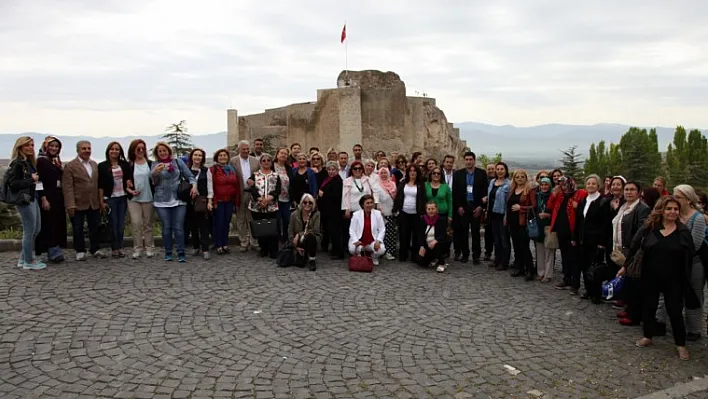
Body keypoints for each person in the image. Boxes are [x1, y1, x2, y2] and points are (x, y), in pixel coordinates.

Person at [626, 196, 698, 361]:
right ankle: (648, 336)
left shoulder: (683, 232)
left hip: (674, 278)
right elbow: (636, 246)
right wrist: (625, 266)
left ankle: (681, 345)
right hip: (651, 275)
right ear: (662, 210)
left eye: (675, 209)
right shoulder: (650, 228)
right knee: (649, 307)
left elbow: (691, 254)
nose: (672, 212)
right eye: (669, 209)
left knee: (674, 311)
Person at [658, 185, 707, 341]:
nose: (674, 199)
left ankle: (694, 329)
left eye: (678, 197)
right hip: (673, 262)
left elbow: (695, 244)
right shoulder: (675, 215)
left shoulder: (697, 218)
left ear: (688, 199)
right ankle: (663, 322)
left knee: (693, 295)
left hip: (693, 263)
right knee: (669, 293)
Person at [611, 181, 650, 326]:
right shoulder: (623, 206)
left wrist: (633, 250)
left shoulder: (642, 209)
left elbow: (641, 232)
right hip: (621, 248)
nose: (628, 192)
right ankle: (629, 308)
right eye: (626, 189)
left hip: (633, 250)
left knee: (634, 283)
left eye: (632, 190)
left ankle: (634, 314)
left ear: (639, 192)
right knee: (626, 281)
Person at [150, 142, 198, 262]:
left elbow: (190, 176)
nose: (162, 152)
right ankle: (168, 251)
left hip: (178, 198)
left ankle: (181, 251)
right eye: (160, 151)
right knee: (166, 227)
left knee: (178, 227)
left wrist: (194, 186)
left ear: (169, 151)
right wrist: (155, 172)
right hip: (161, 200)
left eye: (164, 150)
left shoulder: (177, 162)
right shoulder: (155, 164)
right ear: (157, 153)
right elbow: (153, 181)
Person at [63, 140, 106, 261]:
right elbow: (68, 187)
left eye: (88, 148)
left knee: (95, 226)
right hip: (78, 202)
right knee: (78, 227)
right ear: (78, 150)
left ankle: (95, 248)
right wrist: (70, 204)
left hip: (93, 202)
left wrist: (100, 200)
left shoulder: (94, 164)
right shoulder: (70, 166)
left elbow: (97, 184)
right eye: (84, 149)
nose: (87, 151)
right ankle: (80, 250)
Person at [8, 137, 45, 270]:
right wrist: (31, 179)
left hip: (32, 198)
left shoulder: (28, 163)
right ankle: (29, 260)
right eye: (27, 145)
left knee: (36, 229)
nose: (30, 147)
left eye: (32, 145)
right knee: (29, 231)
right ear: (20, 147)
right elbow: (14, 184)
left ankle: (23, 259)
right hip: (24, 200)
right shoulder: (18, 164)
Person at [572, 175, 608, 302]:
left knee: (595, 267)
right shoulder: (583, 200)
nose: (591, 186)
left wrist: (602, 242)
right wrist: (574, 237)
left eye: (593, 184)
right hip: (582, 239)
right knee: (584, 266)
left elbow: (605, 224)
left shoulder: (603, 201)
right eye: (588, 183)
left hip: (595, 241)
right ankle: (588, 290)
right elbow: (579, 221)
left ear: (598, 185)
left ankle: (596, 294)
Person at [548, 177, 587, 290]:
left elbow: (585, 208)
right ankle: (567, 279)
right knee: (564, 256)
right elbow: (550, 206)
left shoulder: (580, 193)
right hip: (561, 230)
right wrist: (554, 194)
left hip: (573, 231)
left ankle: (575, 283)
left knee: (574, 257)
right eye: (562, 185)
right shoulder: (560, 195)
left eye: (565, 184)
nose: (564, 187)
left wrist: (578, 205)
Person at [452, 151, 489, 264]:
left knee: (475, 232)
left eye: (470, 159)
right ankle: (465, 254)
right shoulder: (458, 174)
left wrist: (480, 207)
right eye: (466, 159)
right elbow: (455, 192)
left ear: (474, 160)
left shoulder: (481, 173)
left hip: (476, 206)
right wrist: (458, 206)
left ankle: (476, 255)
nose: (468, 162)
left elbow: (485, 191)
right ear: (464, 160)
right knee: (463, 232)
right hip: (463, 206)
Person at [35, 136, 67, 263]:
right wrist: (43, 198)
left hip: (57, 196)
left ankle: (55, 248)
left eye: (56, 146)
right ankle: (52, 250)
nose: (54, 148)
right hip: (47, 197)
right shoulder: (41, 161)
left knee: (57, 223)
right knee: (49, 224)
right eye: (51, 146)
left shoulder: (54, 161)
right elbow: (39, 181)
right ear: (45, 147)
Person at [98, 142, 131, 258]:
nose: (114, 151)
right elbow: (100, 185)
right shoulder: (102, 166)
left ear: (120, 151)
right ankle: (114, 248)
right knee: (112, 223)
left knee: (121, 224)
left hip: (122, 197)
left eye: (117, 149)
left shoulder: (124, 165)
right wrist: (101, 201)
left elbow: (129, 180)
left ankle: (120, 246)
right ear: (108, 151)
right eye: (112, 149)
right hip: (110, 198)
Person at [125, 139, 155, 259]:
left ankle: (149, 248)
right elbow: (124, 183)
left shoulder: (150, 163)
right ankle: (137, 248)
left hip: (149, 198)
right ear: (133, 150)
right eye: (138, 149)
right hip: (134, 199)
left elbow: (155, 180)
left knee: (148, 224)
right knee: (136, 224)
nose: (141, 151)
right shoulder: (129, 165)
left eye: (143, 148)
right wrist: (130, 190)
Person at [247, 153, 281, 258]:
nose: (266, 162)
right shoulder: (255, 174)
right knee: (261, 228)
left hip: (271, 206)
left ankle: (273, 250)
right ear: (260, 163)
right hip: (257, 205)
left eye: (268, 160)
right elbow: (252, 188)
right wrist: (259, 199)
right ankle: (263, 249)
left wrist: (269, 199)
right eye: (264, 161)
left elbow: (278, 189)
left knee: (272, 228)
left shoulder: (275, 175)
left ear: (271, 162)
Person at [506, 169, 537, 280]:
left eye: (522, 177)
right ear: (514, 179)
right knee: (516, 246)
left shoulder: (529, 190)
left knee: (524, 247)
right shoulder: (512, 190)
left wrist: (521, 208)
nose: (519, 179)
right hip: (513, 222)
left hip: (523, 223)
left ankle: (530, 270)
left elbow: (534, 206)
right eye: (517, 177)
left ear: (525, 178)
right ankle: (520, 268)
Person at [208, 149, 240, 255]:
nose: (223, 157)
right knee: (218, 223)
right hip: (219, 201)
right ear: (217, 158)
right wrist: (212, 200)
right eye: (220, 155)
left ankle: (225, 243)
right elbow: (210, 186)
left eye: (225, 155)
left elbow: (236, 184)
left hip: (229, 200)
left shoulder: (232, 169)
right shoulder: (213, 170)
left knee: (226, 223)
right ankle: (218, 244)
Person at [342, 160, 377, 256]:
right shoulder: (347, 181)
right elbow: (345, 196)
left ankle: (365, 249)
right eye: (355, 168)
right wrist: (346, 208)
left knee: (365, 230)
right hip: (353, 209)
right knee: (353, 231)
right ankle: (354, 249)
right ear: (352, 170)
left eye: (359, 168)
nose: (357, 170)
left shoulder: (367, 180)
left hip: (366, 210)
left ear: (362, 170)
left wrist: (374, 205)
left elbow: (372, 192)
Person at [231, 140, 260, 252]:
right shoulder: (233, 161)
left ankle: (254, 242)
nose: (246, 151)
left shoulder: (255, 161)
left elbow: (259, 176)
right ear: (239, 149)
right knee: (240, 218)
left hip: (252, 193)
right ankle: (243, 242)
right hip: (239, 193)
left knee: (252, 218)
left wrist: (254, 183)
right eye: (244, 149)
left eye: (248, 149)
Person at [394, 164, 426, 262]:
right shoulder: (403, 183)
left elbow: (423, 199)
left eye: (414, 171)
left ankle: (414, 256)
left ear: (417, 172)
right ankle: (403, 255)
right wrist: (396, 210)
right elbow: (398, 196)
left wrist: (422, 212)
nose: (412, 172)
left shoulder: (421, 184)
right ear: (408, 172)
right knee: (404, 234)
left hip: (416, 213)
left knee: (416, 235)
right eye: (410, 171)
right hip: (404, 212)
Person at [186, 149, 210, 260]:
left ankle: (205, 249)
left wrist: (210, 200)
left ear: (203, 158)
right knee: (193, 226)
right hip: (189, 201)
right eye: (195, 155)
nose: (197, 157)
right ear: (191, 157)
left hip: (201, 201)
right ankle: (196, 246)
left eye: (200, 155)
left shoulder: (206, 171)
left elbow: (210, 186)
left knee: (204, 225)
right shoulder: (186, 170)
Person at [348, 194, 386, 266]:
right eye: (367, 203)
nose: (370, 205)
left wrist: (378, 241)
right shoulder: (356, 215)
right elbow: (352, 230)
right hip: (360, 241)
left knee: (381, 250)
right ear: (362, 204)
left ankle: (374, 257)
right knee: (352, 249)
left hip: (372, 241)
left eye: (371, 203)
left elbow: (382, 229)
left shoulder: (377, 214)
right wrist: (356, 241)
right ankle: (359, 255)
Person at [288, 193, 321, 271]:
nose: (307, 204)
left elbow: (315, 230)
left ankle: (312, 260)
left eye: (310, 203)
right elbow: (290, 231)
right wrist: (295, 246)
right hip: (299, 242)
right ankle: (302, 254)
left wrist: (299, 234)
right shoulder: (294, 215)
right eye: (305, 202)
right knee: (300, 264)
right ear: (301, 203)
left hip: (312, 239)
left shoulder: (316, 214)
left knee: (310, 236)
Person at [318, 161, 344, 259]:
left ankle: (337, 252)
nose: (331, 171)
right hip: (327, 209)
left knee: (335, 231)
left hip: (334, 210)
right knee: (329, 230)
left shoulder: (337, 180)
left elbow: (336, 195)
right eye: (329, 169)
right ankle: (333, 249)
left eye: (333, 169)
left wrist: (323, 194)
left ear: (337, 170)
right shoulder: (327, 179)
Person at [417, 202, 449, 272]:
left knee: (436, 245)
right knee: (421, 262)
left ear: (436, 209)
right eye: (429, 209)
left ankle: (442, 263)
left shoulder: (441, 220)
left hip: (439, 243)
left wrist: (435, 241)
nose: (431, 211)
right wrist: (422, 246)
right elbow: (420, 234)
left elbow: (443, 234)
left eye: (433, 209)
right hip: (427, 244)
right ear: (426, 210)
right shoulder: (423, 220)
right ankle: (434, 258)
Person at [533, 176, 554, 282]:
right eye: (542, 185)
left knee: (549, 251)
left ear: (549, 186)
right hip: (538, 225)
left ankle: (548, 274)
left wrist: (548, 215)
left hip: (549, 226)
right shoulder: (538, 196)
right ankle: (540, 272)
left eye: (546, 185)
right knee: (539, 251)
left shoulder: (552, 196)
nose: (544, 187)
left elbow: (556, 212)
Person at [375, 166, 398, 261]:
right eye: (382, 173)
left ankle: (389, 251)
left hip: (392, 212)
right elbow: (376, 199)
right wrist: (379, 209)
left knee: (391, 233)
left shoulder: (393, 184)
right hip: (382, 213)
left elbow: (396, 197)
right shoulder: (377, 185)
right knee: (382, 233)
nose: (384, 175)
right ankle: (381, 251)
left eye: (385, 173)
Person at [274, 147, 293, 243]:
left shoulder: (289, 168)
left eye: (285, 154)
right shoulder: (272, 166)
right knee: (276, 221)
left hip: (286, 199)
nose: (283, 155)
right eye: (281, 153)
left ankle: (285, 241)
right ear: (277, 154)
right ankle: (276, 242)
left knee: (286, 220)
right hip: (275, 199)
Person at [483, 163, 496, 260]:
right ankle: (488, 251)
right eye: (489, 169)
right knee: (488, 234)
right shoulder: (484, 180)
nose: (491, 170)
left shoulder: (499, 181)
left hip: (496, 210)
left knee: (497, 234)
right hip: (486, 210)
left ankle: (497, 254)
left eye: (492, 168)